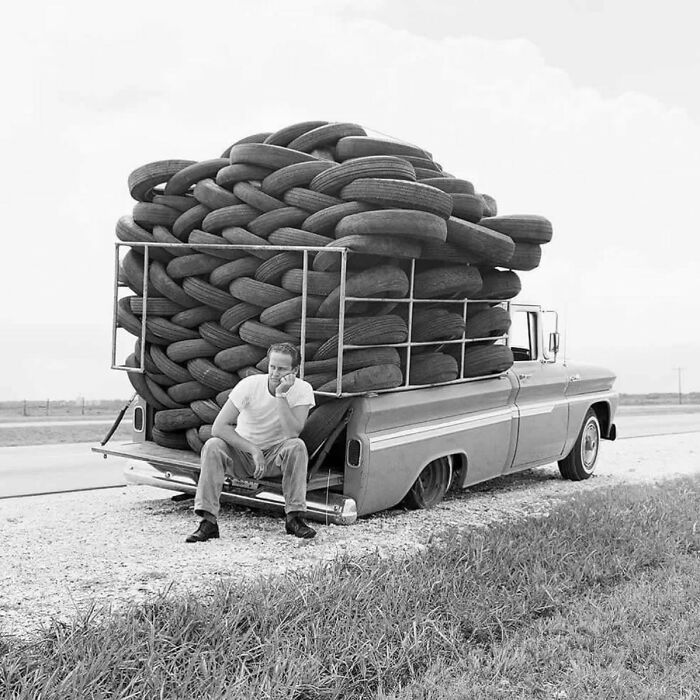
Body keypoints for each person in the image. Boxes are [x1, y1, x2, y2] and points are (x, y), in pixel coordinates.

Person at [186, 342, 317, 542]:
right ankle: (208, 522)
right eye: (272, 366)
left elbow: (293, 433)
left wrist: (281, 395)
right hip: (242, 455)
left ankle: (294, 518)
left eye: (282, 369)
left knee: (297, 446)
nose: (275, 373)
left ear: (295, 370)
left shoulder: (303, 389)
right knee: (213, 445)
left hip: (274, 458)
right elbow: (218, 427)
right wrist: (253, 450)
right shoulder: (250, 385)